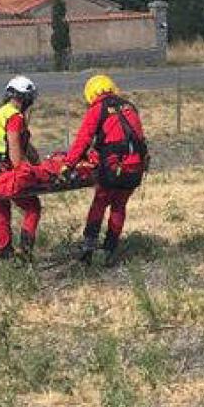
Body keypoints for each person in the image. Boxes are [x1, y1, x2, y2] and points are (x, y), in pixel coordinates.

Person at [63, 74, 148, 266]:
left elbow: (83, 140)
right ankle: (109, 249)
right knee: (119, 206)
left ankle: (88, 250)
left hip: (112, 168)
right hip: (135, 167)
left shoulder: (97, 109)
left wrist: (68, 165)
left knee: (99, 204)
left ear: (92, 94)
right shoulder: (129, 107)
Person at [0, 76, 41, 261]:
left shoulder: (0, 113)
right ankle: (25, 252)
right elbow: (14, 145)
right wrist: (26, 171)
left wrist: (35, 159)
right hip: (3, 172)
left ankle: (6, 256)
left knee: (1, 214)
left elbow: (23, 145)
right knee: (32, 207)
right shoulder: (15, 117)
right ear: (26, 99)